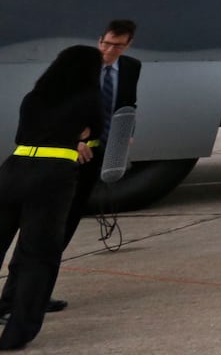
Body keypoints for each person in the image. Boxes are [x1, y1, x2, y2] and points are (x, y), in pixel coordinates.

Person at [3, 20, 144, 322]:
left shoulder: (131, 67)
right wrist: (70, 139)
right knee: (36, 233)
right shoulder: (79, 68)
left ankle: (35, 294)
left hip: (94, 156)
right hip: (61, 158)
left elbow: (127, 104)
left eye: (117, 46)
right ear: (99, 39)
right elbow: (49, 109)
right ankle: (12, 299)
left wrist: (123, 134)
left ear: (128, 45)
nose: (109, 50)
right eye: (106, 43)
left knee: (61, 231)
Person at [0, 45, 101, 352]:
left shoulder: (33, 98)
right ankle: (17, 333)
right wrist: (80, 139)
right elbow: (93, 136)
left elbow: (24, 133)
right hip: (53, 175)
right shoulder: (89, 99)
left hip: (13, 170)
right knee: (37, 256)